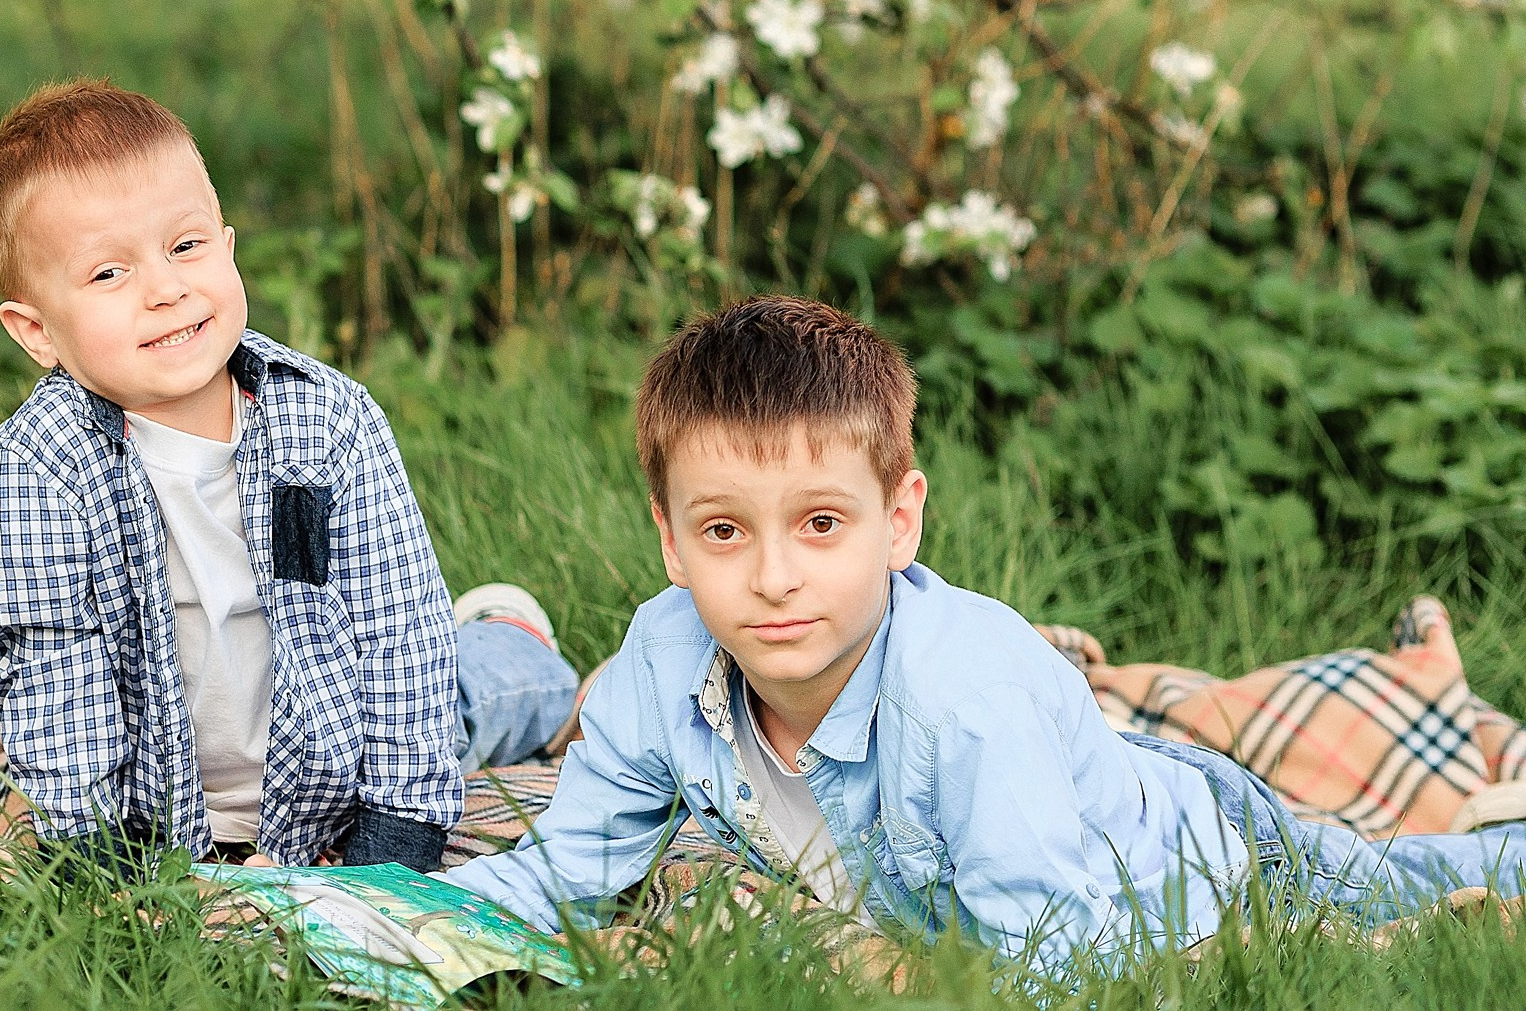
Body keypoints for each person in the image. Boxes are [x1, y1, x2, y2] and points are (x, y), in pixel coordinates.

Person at [446, 295, 1526, 972]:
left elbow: (1068, 963)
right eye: (725, 529)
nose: (774, 575)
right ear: (671, 540)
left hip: (1214, 854)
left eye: (822, 522)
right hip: (1052, 807)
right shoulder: (661, 657)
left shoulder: (963, 698)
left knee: (1425, 880)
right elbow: (561, 873)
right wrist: (328, 904)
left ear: (899, 519)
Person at [0, 78, 576, 874]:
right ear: (36, 330)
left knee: (473, 695)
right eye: (109, 274)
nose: (166, 288)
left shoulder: (330, 424)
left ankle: (513, 641)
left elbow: (398, 632)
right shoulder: (33, 477)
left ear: (228, 246)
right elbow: (52, 677)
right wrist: (92, 857)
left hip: (339, 745)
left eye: (186, 246)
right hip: (164, 787)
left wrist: (396, 835)